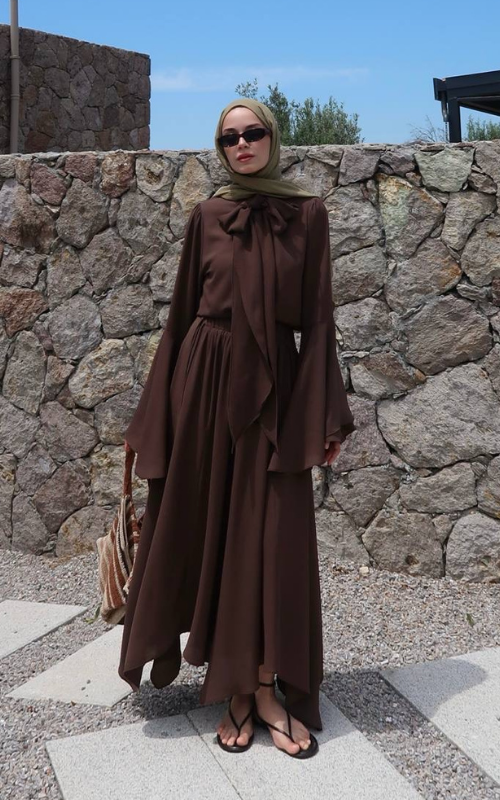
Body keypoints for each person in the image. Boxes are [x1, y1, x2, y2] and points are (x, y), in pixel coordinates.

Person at [118, 98, 356, 759]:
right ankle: (240, 690)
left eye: (252, 133)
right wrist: (155, 414)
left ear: (272, 138)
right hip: (204, 385)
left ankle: (267, 687)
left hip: (275, 391)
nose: (242, 144)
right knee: (214, 530)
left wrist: (326, 414)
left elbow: (319, 319)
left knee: (270, 537)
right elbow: (180, 316)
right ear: (220, 149)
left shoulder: (307, 215)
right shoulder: (207, 216)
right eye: (229, 138)